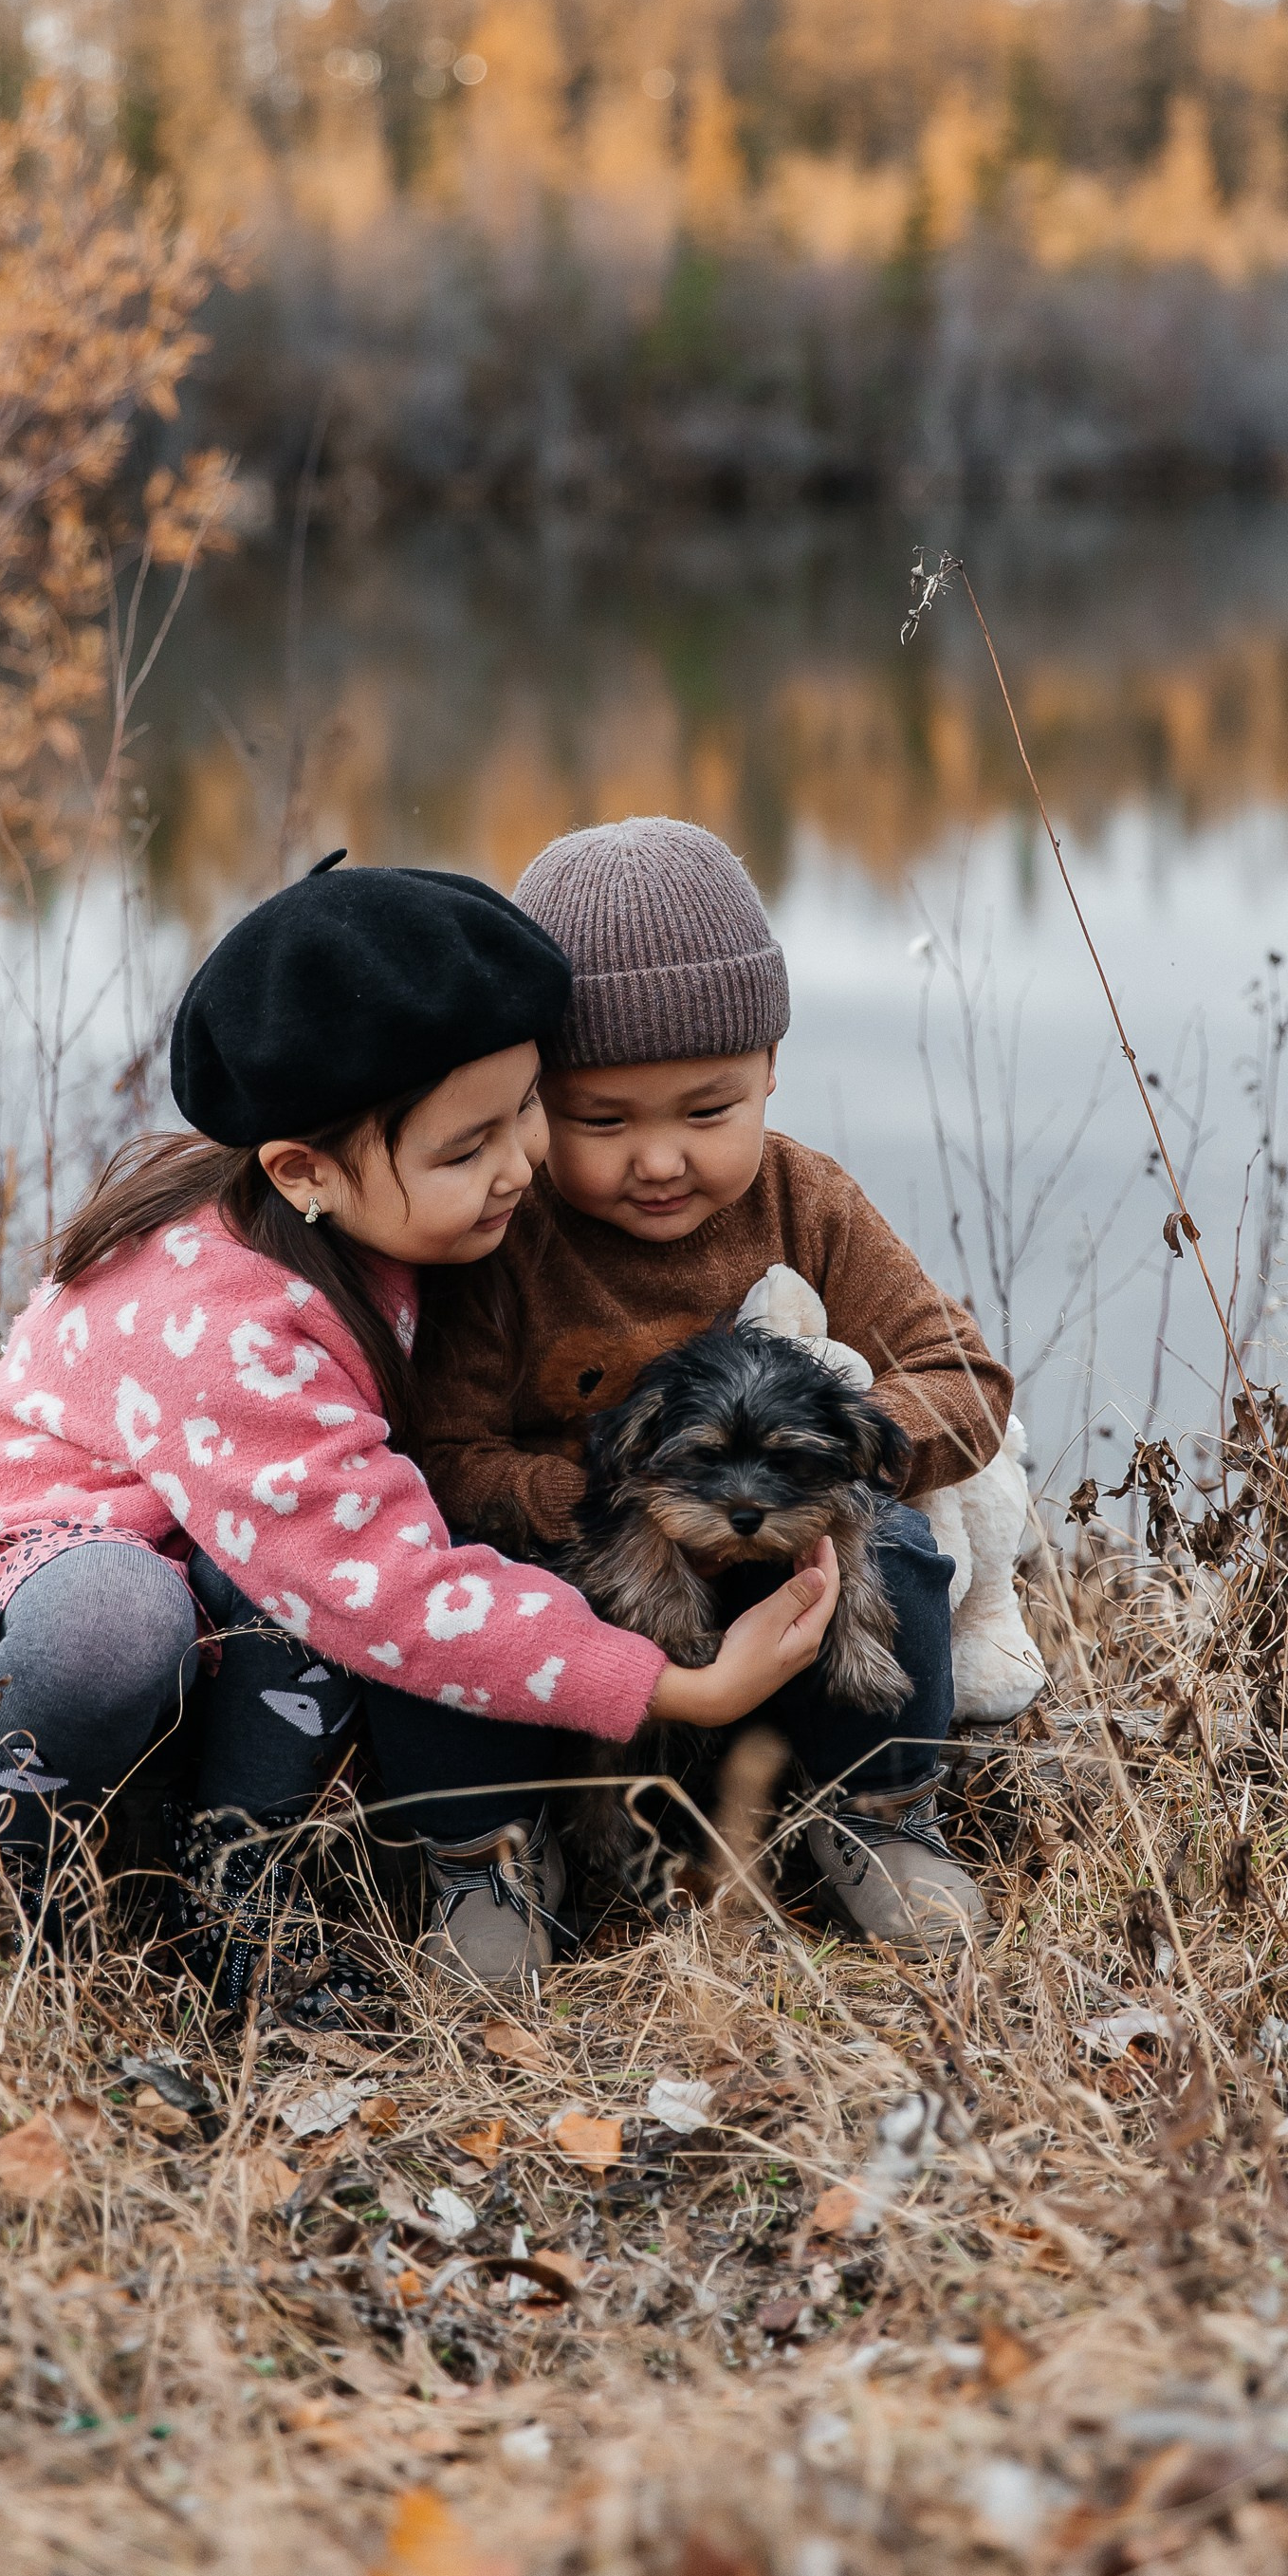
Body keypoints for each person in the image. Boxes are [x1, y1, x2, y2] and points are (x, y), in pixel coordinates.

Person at [0, 851, 842, 1999]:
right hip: (41, 1575)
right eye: (466, 1147)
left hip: (230, 1551)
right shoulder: (227, 1321)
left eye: (527, 1106)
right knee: (131, 1617)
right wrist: (667, 1683)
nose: (522, 1164)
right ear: (304, 1171)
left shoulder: (370, 1216)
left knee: (293, 1591)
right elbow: (385, 1585)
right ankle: (7, 1900)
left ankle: (240, 1878)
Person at [415, 816, 1013, 1952]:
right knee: (458, 1589)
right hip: (590, 1572)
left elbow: (965, 1374)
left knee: (893, 1548)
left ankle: (878, 1810)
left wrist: (840, 1449)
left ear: (770, 1072)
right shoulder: (506, 1228)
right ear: (536, 1096)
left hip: (794, 1558)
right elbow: (442, 1450)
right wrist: (608, 1503)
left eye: (707, 1110)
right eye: (603, 1118)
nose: (658, 1158)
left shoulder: (806, 1197)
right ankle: (490, 1849)